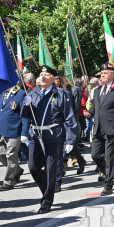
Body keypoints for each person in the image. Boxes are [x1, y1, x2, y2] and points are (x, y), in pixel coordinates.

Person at [22, 65, 79, 214]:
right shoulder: (33, 93)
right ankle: (47, 190)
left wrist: (70, 140)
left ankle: (47, 201)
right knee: (33, 167)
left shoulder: (61, 94)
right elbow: (26, 115)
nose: (42, 77)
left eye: (46, 74)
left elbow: (69, 118)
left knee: (50, 170)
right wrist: (25, 105)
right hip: (36, 135)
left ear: (54, 78)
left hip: (54, 136)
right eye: (40, 74)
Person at [86, 64, 114, 195]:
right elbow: (96, 108)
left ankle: (108, 184)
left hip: (112, 128)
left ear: (112, 75)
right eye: (101, 73)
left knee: (110, 156)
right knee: (95, 155)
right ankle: (109, 170)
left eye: (105, 73)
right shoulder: (97, 91)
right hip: (98, 127)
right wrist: (89, 112)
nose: (102, 75)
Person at [0, 83, 29, 191]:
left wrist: (24, 132)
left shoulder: (20, 94)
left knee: (11, 156)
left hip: (14, 131)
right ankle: (17, 170)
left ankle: (9, 181)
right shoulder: (1, 94)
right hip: (0, 131)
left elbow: (25, 114)